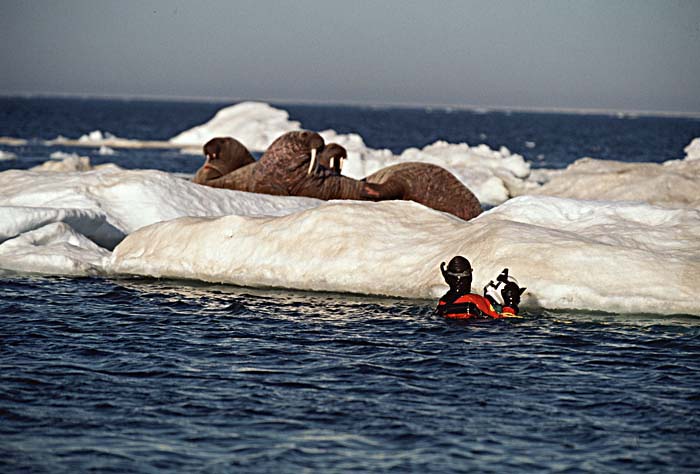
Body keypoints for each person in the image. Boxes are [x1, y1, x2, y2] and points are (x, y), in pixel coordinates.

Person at [435, 256, 526, 319]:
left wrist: (489, 301)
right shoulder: (475, 301)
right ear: (469, 277)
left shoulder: (442, 302)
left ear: (447, 278)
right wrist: (511, 305)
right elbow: (503, 321)